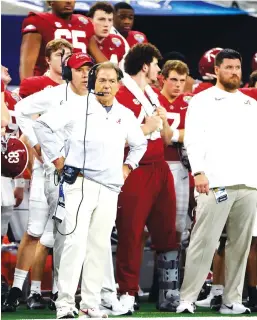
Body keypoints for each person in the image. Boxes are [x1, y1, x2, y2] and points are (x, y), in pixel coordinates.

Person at [32, 61, 147, 319]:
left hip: (110, 187)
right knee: (74, 243)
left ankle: (90, 304)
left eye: (111, 80)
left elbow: (139, 144)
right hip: (79, 184)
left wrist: (126, 169)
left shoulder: (125, 114)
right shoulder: (76, 106)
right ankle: (64, 303)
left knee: (99, 246)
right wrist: (58, 160)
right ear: (94, 82)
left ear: (119, 85)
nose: (106, 85)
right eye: (102, 80)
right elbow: (42, 126)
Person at [2, 51, 91, 314]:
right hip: (47, 171)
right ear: (68, 73)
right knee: (35, 230)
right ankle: (17, 290)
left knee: (67, 234)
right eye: (79, 69)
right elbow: (20, 110)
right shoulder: (53, 94)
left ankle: (59, 293)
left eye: (89, 69)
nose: (85, 75)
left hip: (78, 172)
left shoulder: (95, 100)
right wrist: (38, 143)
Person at [176, 49, 257, 315]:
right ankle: (187, 298)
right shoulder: (201, 100)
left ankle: (231, 300)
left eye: (238, 67)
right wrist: (198, 171)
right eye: (229, 67)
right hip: (216, 182)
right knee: (204, 241)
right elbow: (193, 138)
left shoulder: (250, 104)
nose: (235, 72)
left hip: (248, 182)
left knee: (241, 245)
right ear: (217, 70)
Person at [114, 43, 177, 313]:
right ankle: (127, 293)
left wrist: (162, 123)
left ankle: (169, 293)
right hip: (135, 168)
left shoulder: (152, 94)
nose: (159, 70)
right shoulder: (121, 93)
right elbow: (113, 136)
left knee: (167, 232)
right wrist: (145, 127)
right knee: (131, 232)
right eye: (156, 64)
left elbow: (166, 138)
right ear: (144, 66)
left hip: (161, 168)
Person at [153, 60, 193, 310]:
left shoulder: (191, 103)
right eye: (173, 80)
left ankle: (167, 286)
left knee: (177, 228)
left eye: (182, 80)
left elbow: (200, 132)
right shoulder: (151, 98)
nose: (178, 85)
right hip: (154, 164)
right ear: (162, 79)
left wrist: (177, 136)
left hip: (178, 168)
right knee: (146, 225)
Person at [20, 0, 107, 79]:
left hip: (79, 83)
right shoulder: (37, 20)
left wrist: (115, 77)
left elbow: (98, 57)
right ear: (50, 2)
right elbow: (27, 63)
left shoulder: (84, 22)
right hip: (48, 84)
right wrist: (27, 88)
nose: (69, 1)